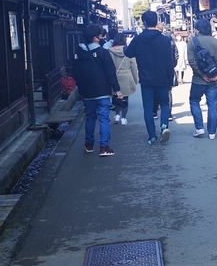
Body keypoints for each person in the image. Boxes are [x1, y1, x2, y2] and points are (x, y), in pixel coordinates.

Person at [125, 10, 176, 145]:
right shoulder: (165, 40)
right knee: (164, 104)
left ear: (144, 22)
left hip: (146, 78)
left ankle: (152, 136)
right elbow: (169, 62)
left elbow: (129, 53)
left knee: (148, 107)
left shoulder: (138, 39)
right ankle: (164, 126)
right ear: (156, 21)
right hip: (162, 78)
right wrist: (170, 79)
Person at [72, 23, 122, 157]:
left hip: (87, 92)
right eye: (100, 37)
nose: (101, 39)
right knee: (104, 118)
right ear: (95, 38)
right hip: (102, 91)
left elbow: (74, 72)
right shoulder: (102, 53)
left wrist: (81, 87)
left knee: (90, 118)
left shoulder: (78, 53)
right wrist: (117, 90)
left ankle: (89, 144)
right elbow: (110, 73)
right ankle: (104, 147)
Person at [187, 18, 217, 140]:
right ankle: (212, 132)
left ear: (198, 29)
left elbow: (192, 62)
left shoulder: (192, 42)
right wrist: (215, 74)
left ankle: (199, 128)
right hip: (214, 81)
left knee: (194, 101)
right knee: (212, 105)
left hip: (198, 79)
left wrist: (202, 75)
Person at [108, 32, 139, 125]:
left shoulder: (109, 51)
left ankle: (117, 115)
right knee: (125, 98)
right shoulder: (128, 51)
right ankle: (124, 118)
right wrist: (135, 79)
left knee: (116, 96)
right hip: (126, 76)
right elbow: (133, 66)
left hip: (114, 77)